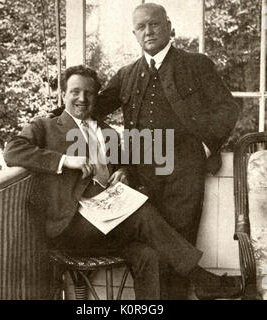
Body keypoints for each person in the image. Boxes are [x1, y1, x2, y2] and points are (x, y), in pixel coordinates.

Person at [4, 65, 241, 300]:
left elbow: (121, 164)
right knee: (141, 213)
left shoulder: (108, 132)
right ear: (63, 94)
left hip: (107, 227)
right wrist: (66, 160)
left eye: (89, 93)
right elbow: (13, 151)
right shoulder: (45, 126)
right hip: (70, 228)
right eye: (75, 91)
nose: (82, 98)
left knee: (150, 255)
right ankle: (201, 279)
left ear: (96, 97)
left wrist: (124, 172)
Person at [91, 3, 241, 299]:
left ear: (169, 25)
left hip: (183, 170)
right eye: (141, 27)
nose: (148, 31)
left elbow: (228, 108)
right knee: (152, 252)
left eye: (154, 24)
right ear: (134, 33)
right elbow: (92, 107)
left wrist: (203, 143)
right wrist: (49, 121)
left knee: (179, 238)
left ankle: (192, 286)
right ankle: (202, 282)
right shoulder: (126, 74)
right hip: (141, 171)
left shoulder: (196, 64)